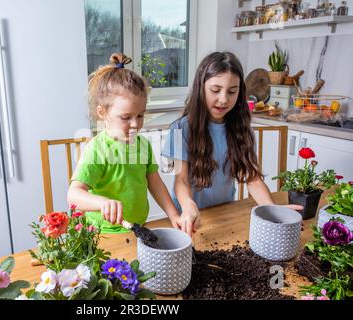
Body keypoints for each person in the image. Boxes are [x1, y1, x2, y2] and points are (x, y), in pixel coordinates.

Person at [162, 52, 302, 236]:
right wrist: (188, 205)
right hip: (188, 218)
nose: (223, 99)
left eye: (232, 91)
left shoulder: (242, 130)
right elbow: (180, 180)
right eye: (215, 90)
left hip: (224, 213)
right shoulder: (179, 129)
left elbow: (252, 178)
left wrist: (273, 212)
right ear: (201, 87)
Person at [67, 53, 180, 233]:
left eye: (140, 115)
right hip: (104, 234)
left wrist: (174, 215)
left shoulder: (143, 144)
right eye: (126, 117)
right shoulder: (96, 149)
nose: (135, 124)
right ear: (102, 112)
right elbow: (73, 195)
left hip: (138, 227)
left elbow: (155, 183)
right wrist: (103, 203)